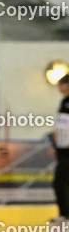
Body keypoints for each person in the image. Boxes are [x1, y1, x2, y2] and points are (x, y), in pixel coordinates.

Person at [52, 73, 69, 223]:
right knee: (60, 182)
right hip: (63, 149)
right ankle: (64, 213)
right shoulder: (64, 102)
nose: (59, 88)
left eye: (61, 85)